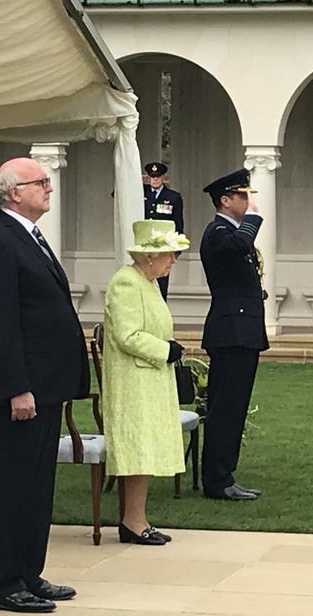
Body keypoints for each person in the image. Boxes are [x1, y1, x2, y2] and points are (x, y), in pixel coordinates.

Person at [0, 157, 88, 614]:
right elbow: (3, 324)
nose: (49, 189)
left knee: (39, 485)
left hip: (44, 386)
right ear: (14, 191)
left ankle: (28, 573)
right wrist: (18, 387)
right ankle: (3, 582)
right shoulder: (0, 242)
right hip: (18, 390)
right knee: (16, 485)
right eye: (41, 182)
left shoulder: (31, 238)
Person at [103, 219, 188, 545]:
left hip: (150, 378)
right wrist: (165, 350)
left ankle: (137, 519)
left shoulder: (147, 282)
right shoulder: (126, 283)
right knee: (138, 447)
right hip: (133, 380)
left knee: (147, 447)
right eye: (169, 254)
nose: (173, 260)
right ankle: (132, 521)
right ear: (150, 256)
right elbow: (127, 335)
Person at [199, 168, 268, 501]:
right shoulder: (218, 232)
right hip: (231, 330)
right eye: (243, 195)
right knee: (226, 408)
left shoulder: (229, 232)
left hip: (241, 329)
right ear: (225, 201)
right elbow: (241, 242)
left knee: (234, 407)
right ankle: (217, 479)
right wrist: (253, 218)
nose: (248, 200)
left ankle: (224, 474)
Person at [143, 162, 184, 300]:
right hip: (143, 247)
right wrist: (136, 180)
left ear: (163, 178)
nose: (155, 179)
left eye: (158, 176)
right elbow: (117, 193)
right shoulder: (141, 192)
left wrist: (176, 251)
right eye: (152, 176)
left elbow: (178, 224)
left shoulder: (173, 197)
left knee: (160, 287)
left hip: (162, 249)